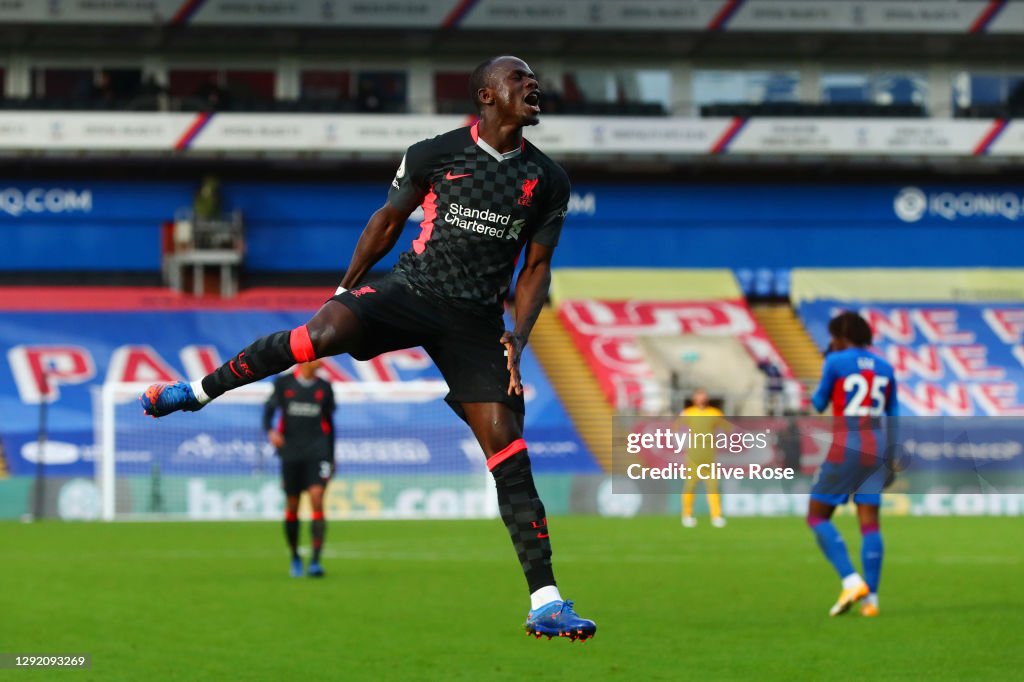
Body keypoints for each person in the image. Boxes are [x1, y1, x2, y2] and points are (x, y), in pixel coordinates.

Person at [140, 55, 595, 642]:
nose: (532, 85)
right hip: (412, 288)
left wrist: (519, 337)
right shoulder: (436, 152)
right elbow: (388, 219)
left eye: (534, 79)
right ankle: (198, 392)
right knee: (317, 336)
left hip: (477, 321)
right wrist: (344, 287)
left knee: (507, 445)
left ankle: (546, 602)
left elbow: (536, 268)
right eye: (518, 77)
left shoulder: (548, 180)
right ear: (487, 93)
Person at [808, 311, 897, 618]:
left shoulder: (835, 361)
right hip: (877, 447)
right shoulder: (886, 367)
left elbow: (818, 403)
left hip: (846, 444)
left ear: (841, 336)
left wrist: (827, 370)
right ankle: (870, 601)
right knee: (869, 521)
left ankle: (851, 580)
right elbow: (894, 415)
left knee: (817, 516)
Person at [263, 360, 335, 578]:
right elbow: (268, 411)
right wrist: (270, 431)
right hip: (291, 452)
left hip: (317, 451)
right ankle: (295, 557)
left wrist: (331, 456)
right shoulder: (284, 383)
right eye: (318, 357)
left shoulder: (324, 387)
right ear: (306, 360)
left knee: (317, 497)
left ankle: (315, 561)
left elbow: (329, 423)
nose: (322, 361)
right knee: (292, 505)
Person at [677, 388, 730, 528]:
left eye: (703, 395)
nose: (701, 398)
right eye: (699, 396)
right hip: (693, 456)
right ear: (694, 398)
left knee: (713, 486)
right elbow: (675, 428)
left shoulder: (714, 413)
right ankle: (687, 515)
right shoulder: (688, 413)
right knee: (689, 486)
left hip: (709, 456)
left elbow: (727, 428)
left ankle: (716, 516)